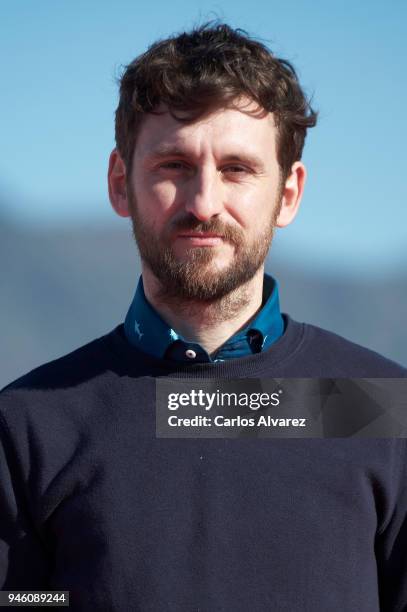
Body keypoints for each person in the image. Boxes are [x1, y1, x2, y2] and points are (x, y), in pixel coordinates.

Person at [1, 22, 406, 612]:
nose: (203, 203)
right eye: (173, 165)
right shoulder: (31, 426)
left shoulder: (377, 405)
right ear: (121, 183)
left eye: (237, 168)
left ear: (288, 194)